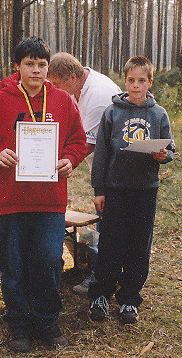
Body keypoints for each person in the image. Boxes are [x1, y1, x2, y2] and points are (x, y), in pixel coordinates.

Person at [0, 37, 86, 352]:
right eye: (29, 64)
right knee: (13, 265)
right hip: (8, 199)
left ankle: (47, 322)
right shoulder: (0, 100)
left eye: (42, 65)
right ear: (16, 67)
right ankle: (19, 324)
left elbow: (78, 141)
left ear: (48, 68)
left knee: (49, 260)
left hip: (49, 200)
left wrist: (70, 159)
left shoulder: (62, 101)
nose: (36, 70)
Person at [87, 56, 175, 325]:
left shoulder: (158, 114)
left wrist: (163, 156)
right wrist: (99, 189)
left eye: (141, 81)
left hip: (145, 191)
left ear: (150, 82)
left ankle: (129, 298)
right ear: (124, 81)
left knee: (139, 244)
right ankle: (101, 294)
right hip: (115, 189)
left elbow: (170, 149)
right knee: (111, 242)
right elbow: (101, 153)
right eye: (131, 80)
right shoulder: (112, 113)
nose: (136, 86)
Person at [47, 52, 121, 294]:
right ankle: (100, 269)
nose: (54, 89)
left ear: (71, 77)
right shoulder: (79, 88)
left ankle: (100, 277)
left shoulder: (98, 96)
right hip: (101, 165)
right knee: (104, 219)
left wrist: (55, 165)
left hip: (115, 170)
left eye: (56, 84)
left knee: (107, 222)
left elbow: (87, 144)